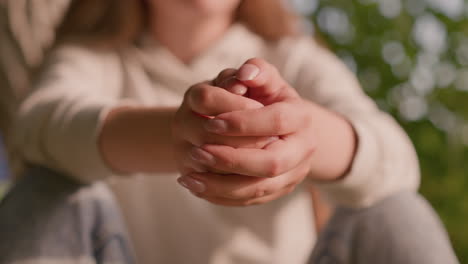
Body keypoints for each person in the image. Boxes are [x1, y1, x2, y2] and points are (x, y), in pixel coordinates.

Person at [0, 0, 459, 263]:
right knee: (47, 189)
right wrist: (178, 136)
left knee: (388, 208)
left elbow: (395, 157)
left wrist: (303, 135)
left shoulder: (294, 55)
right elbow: (41, 124)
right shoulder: (93, 57)